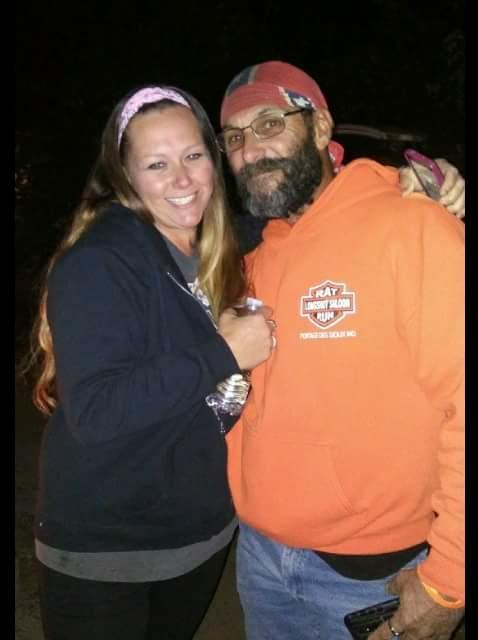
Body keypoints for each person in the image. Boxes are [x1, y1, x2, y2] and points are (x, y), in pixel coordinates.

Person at [218, 61, 464, 639]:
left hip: (371, 578)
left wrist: (450, 579)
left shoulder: (413, 227)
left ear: (321, 127)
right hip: (260, 558)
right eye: (233, 137)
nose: (251, 150)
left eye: (270, 123)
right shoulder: (248, 260)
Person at [29, 84, 275, 640]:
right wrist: (224, 353)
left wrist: (395, 184)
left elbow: (298, 213)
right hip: (106, 553)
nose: (182, 180)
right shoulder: (100, 262)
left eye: (193, 156)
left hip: (199, 536)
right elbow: (96, 411)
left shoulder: (217, 244)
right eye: (157, 164)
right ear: (125, 177)